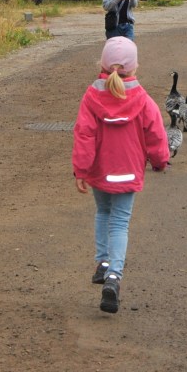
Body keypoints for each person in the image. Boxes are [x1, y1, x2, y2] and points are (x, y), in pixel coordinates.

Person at [72, 37, 169, 314]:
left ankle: (103, 262)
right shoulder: (143, 99)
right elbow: (156, 133)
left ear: (102, 65)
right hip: (127, 172)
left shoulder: (91, 97)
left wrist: (81, 169)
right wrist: (160, 161)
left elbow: (84, 134)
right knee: (120, 222)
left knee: (103, 212)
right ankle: (114, 276)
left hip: (100, 170)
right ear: (134, 67)